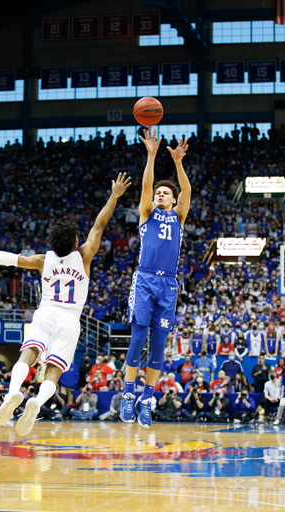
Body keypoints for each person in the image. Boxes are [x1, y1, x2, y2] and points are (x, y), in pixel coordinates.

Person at [0, 173, 131, 436]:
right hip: (70, 320)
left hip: (45, 313)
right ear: (73, 242)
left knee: (28, 356)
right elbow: (100, 223)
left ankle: (14, 392)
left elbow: (10, 259)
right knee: (53, 373)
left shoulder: (42, 260)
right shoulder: (84, 256)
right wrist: (114, 195)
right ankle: (35, 403)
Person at [121, 129, 191, 428]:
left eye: (166, 193)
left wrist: (177, 163)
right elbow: (147, 185)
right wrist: (151, 155)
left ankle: (146, 399)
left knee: (160, 346)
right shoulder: (147, 213)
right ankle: (127, 394)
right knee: (138, 339)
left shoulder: (179, 216)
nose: (160, 194)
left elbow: (187, 192)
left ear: (174, 201)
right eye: (158, 193)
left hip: (169, 284)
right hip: (145, 280)